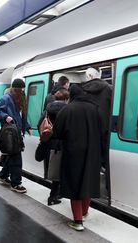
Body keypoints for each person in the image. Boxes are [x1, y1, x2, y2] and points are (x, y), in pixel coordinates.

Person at [53, 84, 102, 231]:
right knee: (87, 182)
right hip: (93, 152)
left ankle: (78, 221)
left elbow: (58, 132)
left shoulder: (67, 109)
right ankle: (85, 212)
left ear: (72, 95)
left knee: (75, 185)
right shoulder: (95, 108)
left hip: (73, 153)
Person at [0, 78, 32, 193]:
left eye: (22, 89)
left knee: (11, 157)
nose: (21, 90)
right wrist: (5, 117)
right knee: (16, 159)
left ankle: (3, 176)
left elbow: (21, 116)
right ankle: (16, 184)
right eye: (18, 88)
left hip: (18, 132)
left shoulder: (21, 98)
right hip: (11, 133)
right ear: (13, 88)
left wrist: (27, 127)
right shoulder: (6, 98)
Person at [38, 89, 69, 205]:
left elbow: (39, 124)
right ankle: (53, 197)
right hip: (60, 144)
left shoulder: (47, 110)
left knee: (52, 168)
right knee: (59, 170)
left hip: (49, 142)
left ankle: (56, 194)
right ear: (66, 99)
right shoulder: (66, 110)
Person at [81, 68, 112, 170]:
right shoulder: (109, 89)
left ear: (89, 77)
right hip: (104, 128)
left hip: (87, 129)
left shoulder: (82, 90)